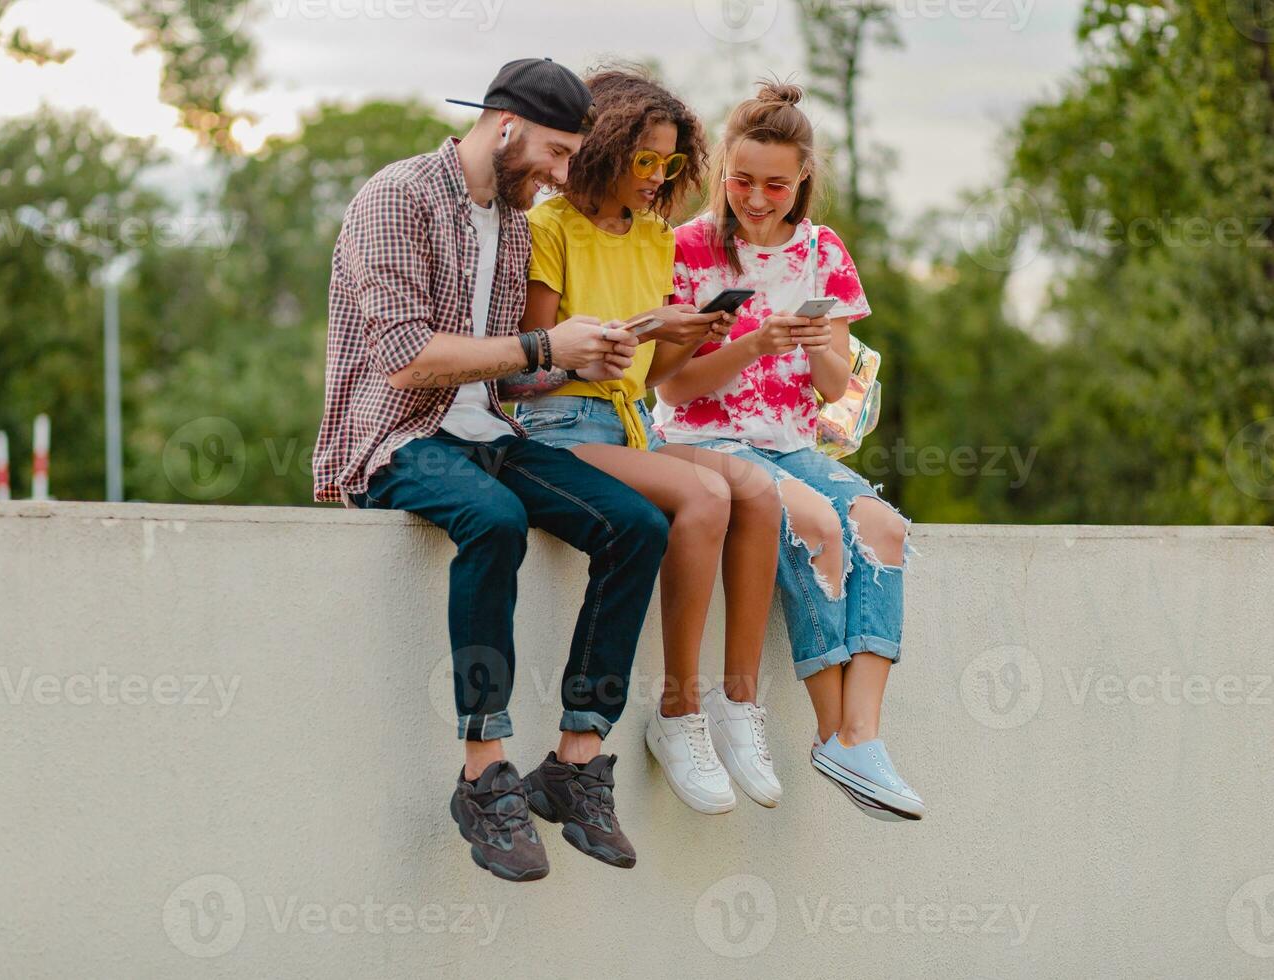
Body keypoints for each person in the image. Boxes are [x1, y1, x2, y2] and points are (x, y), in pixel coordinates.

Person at [313, 58, 672, 882]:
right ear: (504, 125)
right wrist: (546, 343)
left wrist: (585, 351)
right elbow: (407, 360)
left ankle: (575, 758)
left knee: (638, 525)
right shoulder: (395, 197)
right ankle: (484, 772)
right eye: (552, 153)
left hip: (488, 428)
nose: (558, 174)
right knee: (495, 520)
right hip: (393, 438)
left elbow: (506, 374)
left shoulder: (511, 223)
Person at [499, 67, 786, 816]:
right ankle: (678, 713)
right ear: (602, 149)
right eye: (645, 161)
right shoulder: (549, 227)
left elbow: (655, 378)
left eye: (669, 163)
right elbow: (521, 374)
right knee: (702, 492)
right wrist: (594, 348)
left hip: (631, 428)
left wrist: (692, 334)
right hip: (555, 430)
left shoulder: (656, 237)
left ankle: (738, 705)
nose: (659, 179)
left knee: (755, 490)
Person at [656, 80, 924, 821]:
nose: (757, 198)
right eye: (741, 180)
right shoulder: (688, 251)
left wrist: (813, 348)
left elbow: (835, 382)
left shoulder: (823, 252)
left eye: (776, 184)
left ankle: (859, 739)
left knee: (884, 528)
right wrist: (750, 346)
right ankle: (830, 732)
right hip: (700, 440)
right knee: (813, 523)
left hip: (792, 444)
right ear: (722, 173)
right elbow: (674, 391)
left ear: (803, 176)